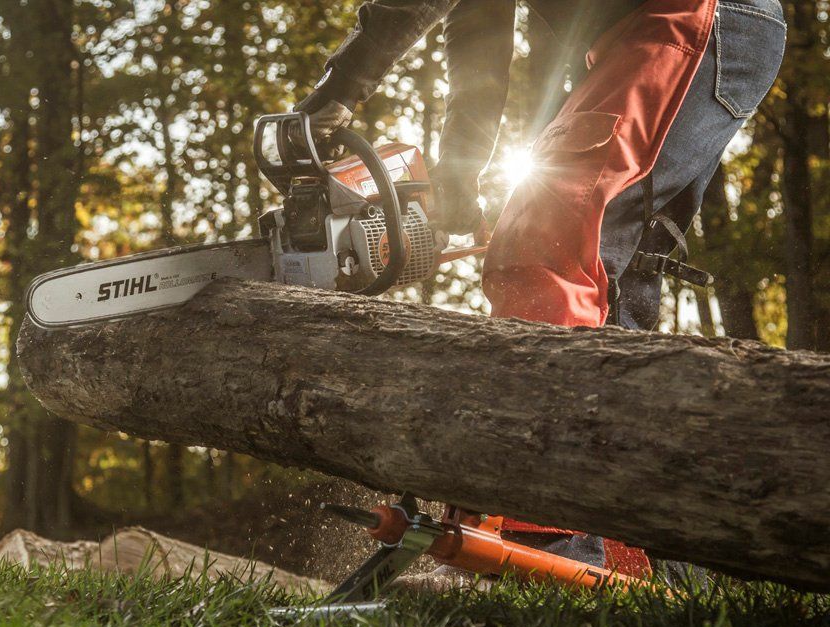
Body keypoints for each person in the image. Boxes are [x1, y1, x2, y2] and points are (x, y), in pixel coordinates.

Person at [296, 0, 786, 575]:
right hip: (661, 31)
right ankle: (635, 563)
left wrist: (343, 85)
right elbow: (480, 26)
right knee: (611, 291)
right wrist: (459, 168)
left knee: (545, 248)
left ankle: (541, 545)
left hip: (689, 19)